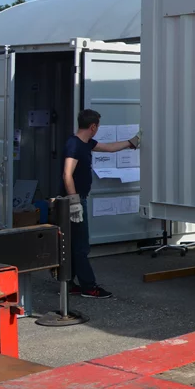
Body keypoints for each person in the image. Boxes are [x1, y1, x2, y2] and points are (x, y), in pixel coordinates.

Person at [62, 109, 140, 299]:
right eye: (98, 126)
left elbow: (110, 148)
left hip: (77, 200)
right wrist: (74, 202)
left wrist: (132, 142)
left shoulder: (87, 143)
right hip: (74, 202)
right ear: (93, 126)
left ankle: (69, 283)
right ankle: (88, 287)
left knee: (73, 244)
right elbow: (67, 174)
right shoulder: (74, 145)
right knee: (81, 246)